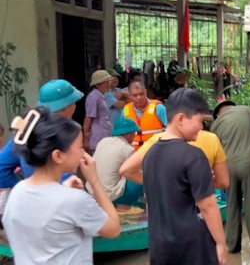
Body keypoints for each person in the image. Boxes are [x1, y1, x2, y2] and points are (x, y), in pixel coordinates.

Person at [2, 107, 121, 264]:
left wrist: (63, 188)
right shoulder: (74, 200)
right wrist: (94, 180)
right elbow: (113, 229)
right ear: (58, 155)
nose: (84, 152)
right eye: (79, 147)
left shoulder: (18, 192)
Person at [142, 88, 227, 265]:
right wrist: (220, 243)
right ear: (180, 118)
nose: (202, 127)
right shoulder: (193, 156)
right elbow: (208, 205)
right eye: (199, 121)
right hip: (192, 249)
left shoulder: (150, 154)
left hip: (160, 247)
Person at [210, 100, 250, 258]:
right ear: (233, 107)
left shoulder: (215, 125)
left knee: (232, 205)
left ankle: (233, 246)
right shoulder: (249, 110)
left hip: (227, 166)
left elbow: (215, 152)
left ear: (218, 113)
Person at [0, 79, 84, 188]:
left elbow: (1, 171)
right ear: (66, 107)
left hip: (32, 200)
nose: (75, 106)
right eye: (74, 103)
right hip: (63, 197)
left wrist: (27, 185)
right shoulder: (68, 134)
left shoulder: (26, 131)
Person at [120, 127, 230, 190]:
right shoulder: (211, 139)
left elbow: (127, 170)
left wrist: (157, 183)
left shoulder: (157, 139)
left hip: (166, 210)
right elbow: (223, 181)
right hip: (197, 207)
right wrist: (199, 184)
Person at [87, 117, 144, 215]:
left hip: (94, 193)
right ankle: (124, 207)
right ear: (129, 133)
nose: (134, 136)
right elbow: (136, 169)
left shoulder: (104, 141)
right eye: (133, 133)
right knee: (141, 175)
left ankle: (108, 205)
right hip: (110, 195)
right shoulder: (127, 149)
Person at [122, 82, 167, 150]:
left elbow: (172, 130)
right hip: (134, 155)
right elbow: (121, 136)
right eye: (135, 95)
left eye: (141, 94)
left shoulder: (158, 108)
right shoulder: (125, 111)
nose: (139, 97)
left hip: (156, 153)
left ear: (146, 92)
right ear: (130, 95)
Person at [84, 70, 113, 153]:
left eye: (108, 81)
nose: (108, 84)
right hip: (98, 138)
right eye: (105, 82)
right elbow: (88, 118)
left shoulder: (101, 96)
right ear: (97, 85)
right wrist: (86, 138)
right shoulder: (94, 97)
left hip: (104, 136)